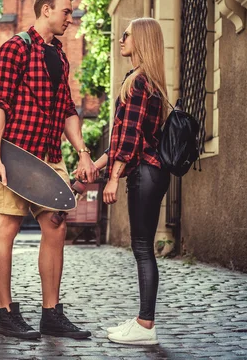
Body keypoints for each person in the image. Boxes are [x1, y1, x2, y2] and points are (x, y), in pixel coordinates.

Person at [0, 0, 97, 340]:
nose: (70, 18)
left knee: (56, 226)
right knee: (7, 228)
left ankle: (51, 312)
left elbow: (67, 109)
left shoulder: (60, 56)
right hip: (16, 156)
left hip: (49, 158)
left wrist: (81, 151)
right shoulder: (15, 47)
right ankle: (7, 313)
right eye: (66, 11)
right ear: (46, 10)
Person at [93, 18, 170, 345]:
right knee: (142, 247)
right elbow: (124, 136)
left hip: (145, 172)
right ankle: (143, 321)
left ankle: (146, 326)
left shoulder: (139, 83)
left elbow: (131, 138)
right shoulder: (145, 81)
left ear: (139, 40)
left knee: (142, 247)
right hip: (150, 171)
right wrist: (98, 164)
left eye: (126, 34)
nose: (121, 38)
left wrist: (112, 178)